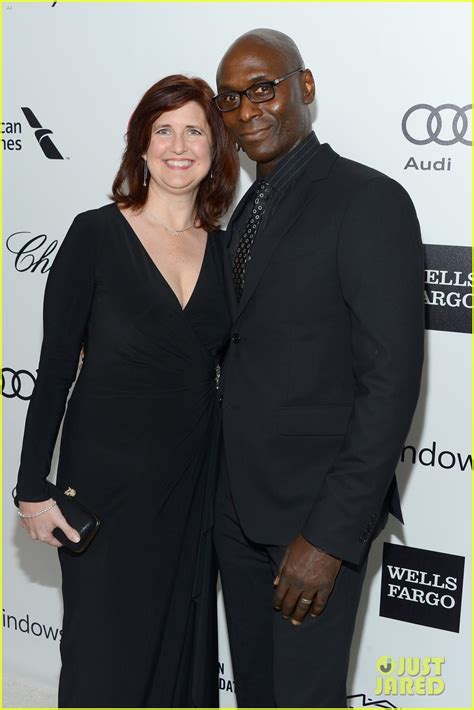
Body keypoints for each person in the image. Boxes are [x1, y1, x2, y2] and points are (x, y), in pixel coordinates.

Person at [213, 29, 424, 708]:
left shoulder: (368, 200)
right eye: (230, 99)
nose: (247, 110)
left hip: (312, 522)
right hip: (237, 511)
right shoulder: (245, 208)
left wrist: (329, 539)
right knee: (258, 695)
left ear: (304, 87)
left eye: (262, 88)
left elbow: (390, 383)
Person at [14, 74, 239, 708]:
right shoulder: (94, 234)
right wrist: (32, 488)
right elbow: (55, 367)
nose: (178, 146)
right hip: (106, 487)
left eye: (194, 131)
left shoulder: (226, 251)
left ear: (215, 147)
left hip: (192, 485)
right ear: (141, 144)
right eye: (163, 130)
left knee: (178, 649)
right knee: (104, 656)